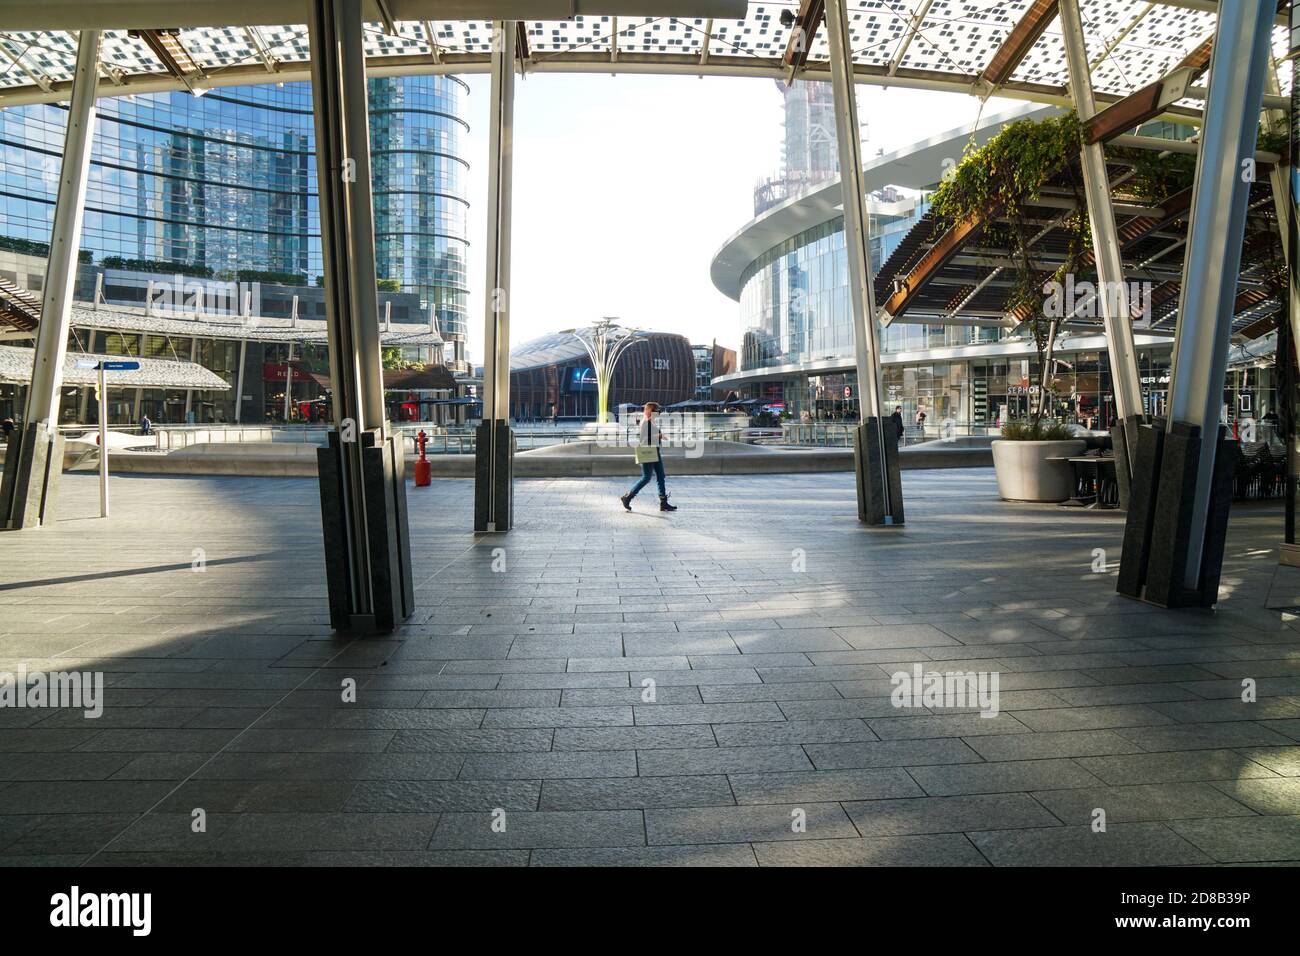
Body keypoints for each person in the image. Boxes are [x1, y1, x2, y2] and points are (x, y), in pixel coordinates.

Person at [620, 402, 676, 512]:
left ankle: (663, 502)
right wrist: (658, 435)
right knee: (646, 478)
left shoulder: (651, 421)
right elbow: (644, 439)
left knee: (661, 476)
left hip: (655, 451)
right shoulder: (645, 422)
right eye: (656, 410)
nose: (658, 412)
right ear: (650, 410)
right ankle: (627, 497)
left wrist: (659, 435)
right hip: (648, 451)